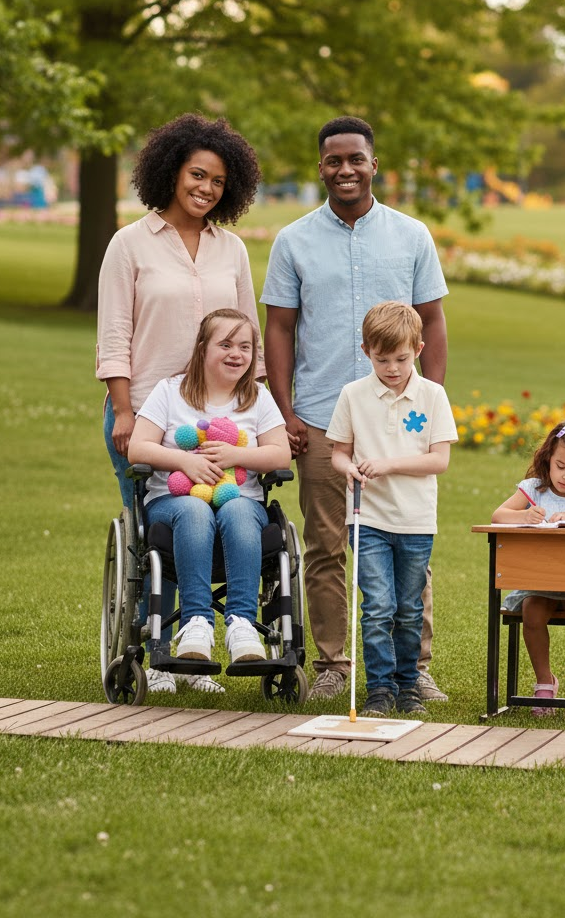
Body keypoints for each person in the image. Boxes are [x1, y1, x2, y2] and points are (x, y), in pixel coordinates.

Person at [261, 116, 450, 703]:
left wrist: (426, 399)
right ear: (320, 167)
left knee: (406, 542)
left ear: (374, 163)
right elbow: (280, 330)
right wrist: (285, 412)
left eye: (355, 159)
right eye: (333, 160)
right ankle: (334, 666)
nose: (345, 169)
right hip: (322, 419)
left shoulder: (411, 235)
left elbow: (434, 321)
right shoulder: (293, 241)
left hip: (398, 421)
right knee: (326, 546)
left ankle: (412, 667)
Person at [96, 113, 263, 694]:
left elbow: (248, 333)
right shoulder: (130, 244)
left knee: (227, 515)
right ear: (171, 172)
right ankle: (161, 653)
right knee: (155, 538)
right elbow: (115, 334)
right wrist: (121, 410)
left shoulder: (231, 248)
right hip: (147, 415)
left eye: (218, 181)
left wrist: (261, 411)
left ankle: (212, 635)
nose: (206, 189)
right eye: (197, 175)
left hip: (226, 418)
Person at [127, 309, 291, 669]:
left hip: (240, 501)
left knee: (237, 509)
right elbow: (137, 448)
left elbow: (282, 454)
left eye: (245, 346)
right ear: (202, 348)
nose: (237, 354)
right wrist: (184, 462)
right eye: (226, 344)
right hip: (174, 503)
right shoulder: (170, 392)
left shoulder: (257, 397)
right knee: (195, 509)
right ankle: (196, 623)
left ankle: (242, 625)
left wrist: (237, 453)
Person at [326, 302, 457, 716]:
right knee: (378, 606)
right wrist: (350, 469)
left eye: (401, 358)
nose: (392, 368)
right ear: (366, 351)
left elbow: (439, 460)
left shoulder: (432, 396)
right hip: (368, 519)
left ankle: (408, 685)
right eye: (382, 359)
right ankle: (379, 689)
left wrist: (388, 464)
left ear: (417, 349)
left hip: (415, 521)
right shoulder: (353, 395)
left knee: (408, 607)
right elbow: (338, 454)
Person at [490, 419, 565, 720]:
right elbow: (498, 514)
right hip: (539, 580)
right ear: (548, 458)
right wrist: (525, 514)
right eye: (560, 466)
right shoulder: (534, 488)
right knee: (532, 610)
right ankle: (545, 681)